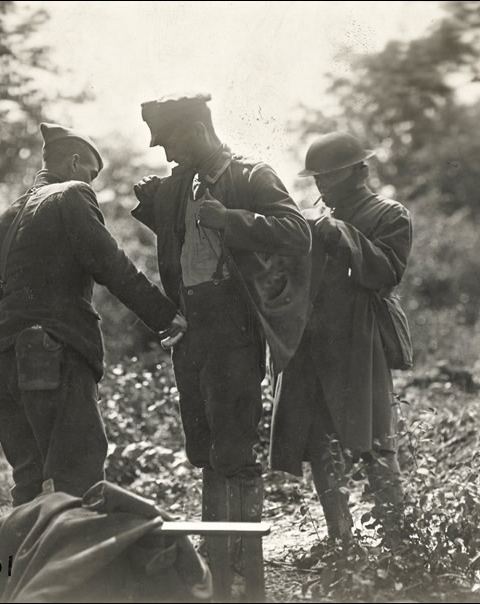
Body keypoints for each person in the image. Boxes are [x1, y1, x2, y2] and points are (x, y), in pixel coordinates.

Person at [132, 93, 311, 598]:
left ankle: (244, 574)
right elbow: (174, 242)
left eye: (168, 141)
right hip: (193, 332)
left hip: (234, 330)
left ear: (194, 129)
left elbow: (297, 233)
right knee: (205, 450)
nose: (165, 154)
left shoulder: (252, 177)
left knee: (235, 452)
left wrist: (229, 219)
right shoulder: (179, 184)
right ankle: (218, 572)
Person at [0, 122, 187, 507]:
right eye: (92, 173)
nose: (91, 181)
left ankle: (32, 564)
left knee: (29, 481)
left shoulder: (6, 217)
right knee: (79, 479)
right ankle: (77, 566)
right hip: (51, 353)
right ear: (75, 162)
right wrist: (165, 315)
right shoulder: (72, 195)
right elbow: (111, 265)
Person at [270, 131, 413, 545]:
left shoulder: (390, 214)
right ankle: (340, 538)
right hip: (311, 345)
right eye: (318, 177)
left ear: (360, 170)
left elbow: (388, 272)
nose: (323, 184)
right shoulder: (308, 220)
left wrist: (344, 236)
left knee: (374, 439)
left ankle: (397, 540)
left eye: (331, 175)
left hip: (359, 341)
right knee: (318, 443)